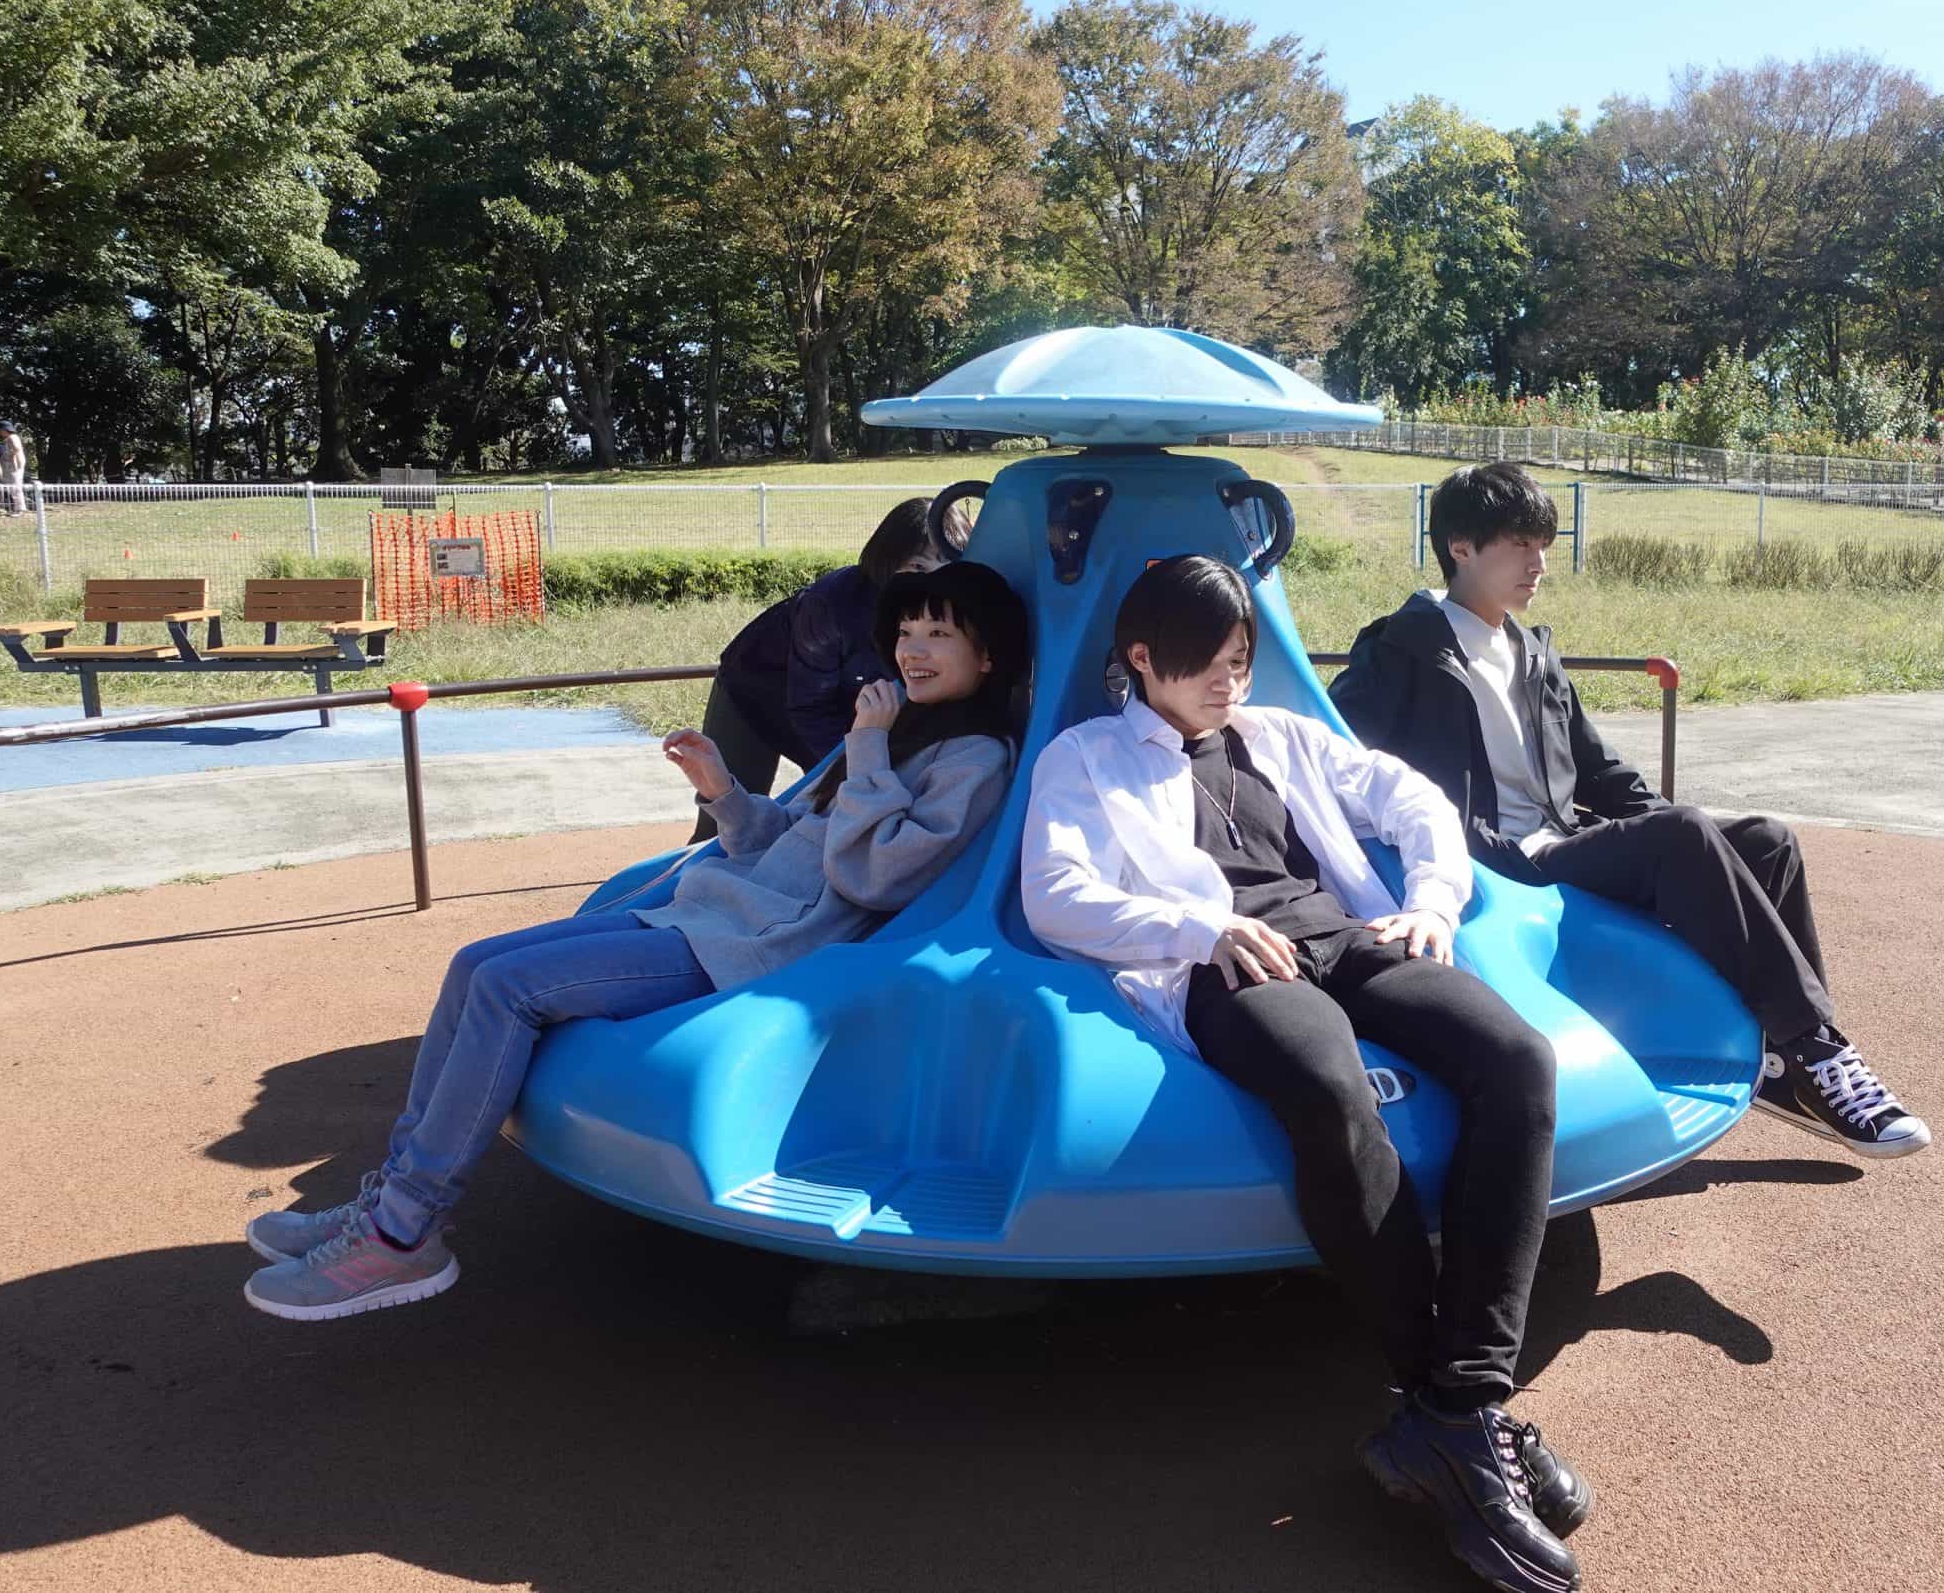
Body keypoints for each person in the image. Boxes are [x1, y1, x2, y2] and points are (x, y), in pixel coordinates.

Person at [241, 560, 1031, 1321]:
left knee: (507, 989)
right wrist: (723, 790)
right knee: (474, 961)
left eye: (940, 635)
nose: (914, 649)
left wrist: (867, 748)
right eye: (908, 632)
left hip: (754, 945)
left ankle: (403, 1232)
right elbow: (782, 841)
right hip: (708, 912)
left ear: (989, 657)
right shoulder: (892, 733)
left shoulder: (974, 759)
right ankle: (389, 1197)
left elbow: (875, 876)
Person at [1024, 555, 1589, 1593]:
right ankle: (1456, 1418)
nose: (1227, 680)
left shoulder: (1280, 733)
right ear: (1139, 657)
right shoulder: (1086, 755)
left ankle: (1459, 1406)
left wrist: (1431, 899)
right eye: (1204, 662)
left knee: (1517, 1060)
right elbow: (1054, 891)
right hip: (1221, 965)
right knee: (1330, 1089)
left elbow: (1411, 797)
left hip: (1344, 933)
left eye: (1239, 658)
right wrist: (1200, 928)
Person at [1330, 462, 1930, 1159]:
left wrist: (1678, 830)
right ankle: (1815, 1050)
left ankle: (1783, 1055)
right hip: (1501, 859)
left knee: (1766, 840)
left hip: (1564, 838)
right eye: (1520, 545)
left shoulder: (1531, 650)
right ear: (1460, 547)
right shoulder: (1400, 650)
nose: (1539, 563)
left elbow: (1598, 767)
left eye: (1543, 544)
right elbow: (1337, 754)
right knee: (1683, 836)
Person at [689, 496, 968, 843]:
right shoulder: (831, 607)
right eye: (918, 566)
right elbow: (810, 709)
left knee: (840, 813)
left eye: (948, 565)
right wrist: (853, 771)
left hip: (850, 705)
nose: (933, 581)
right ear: (888, 559)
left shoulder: (955, 611)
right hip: (758, 693)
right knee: (723, 825)